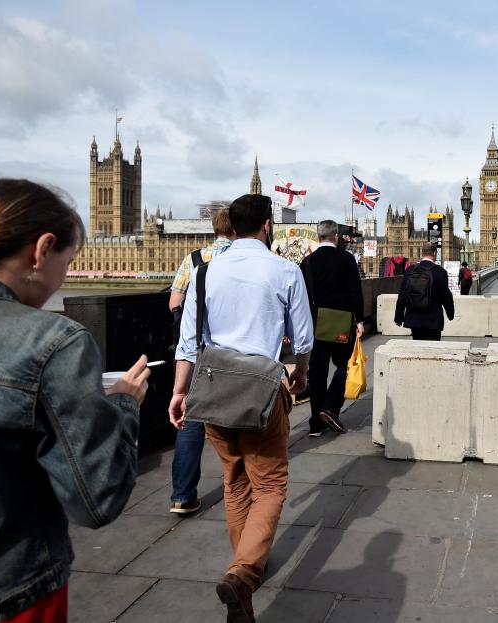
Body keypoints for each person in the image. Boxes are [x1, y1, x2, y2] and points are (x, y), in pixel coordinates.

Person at [0, 179, 149, 622]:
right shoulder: (52, 342)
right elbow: (97, 499)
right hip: (7, 597)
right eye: (67, 262)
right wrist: (126, 406)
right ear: (41, 250)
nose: (66, 277)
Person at [170, 193, 312, 622]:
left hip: (212, 391)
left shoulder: (204, 271)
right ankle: (243, 574)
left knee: (234, 484)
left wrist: (179, 392)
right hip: (262, 392)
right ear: (268, 225)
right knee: (269, 486)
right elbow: (302, 339)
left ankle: (242, 573)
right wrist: (301, 376)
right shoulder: (285, 270)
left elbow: (189, 343)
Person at [165, 207, 234, 516]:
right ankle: (239, 487)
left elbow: (174, 302)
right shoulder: (246, 259)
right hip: (235, 352)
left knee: (191, 422)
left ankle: (182, 495)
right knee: (237, 418)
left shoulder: (195, 258)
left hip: (199, 350)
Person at [300, 220, 364, 437]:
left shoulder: (307, 262)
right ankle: (329, 408)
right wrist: (360, 320)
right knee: (343, 366)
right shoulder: (346, 259)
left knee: (317, 372)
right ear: (335, 236)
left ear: (318, 237)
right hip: (341, 321)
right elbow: (356, 291)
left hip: (315, 322)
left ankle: (316, 423)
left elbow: (302, 298)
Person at [394, 243, 455, 340]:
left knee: (417, 347)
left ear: (422, 253)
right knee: (432, 349)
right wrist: (450, 314)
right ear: (435, 253)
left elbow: (402, 295)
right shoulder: (440, 272)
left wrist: (399, 317)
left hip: (413, 319)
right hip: (433, 319)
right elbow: (446, 296)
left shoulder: (410, 270)